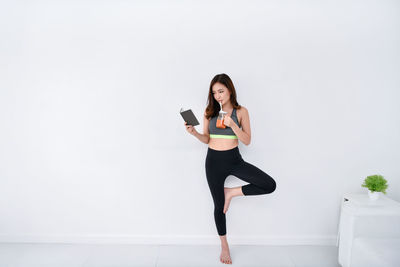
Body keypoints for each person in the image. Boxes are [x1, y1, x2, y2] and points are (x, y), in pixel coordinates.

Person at [184, 73, 277, 265]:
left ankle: (231, 192)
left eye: (221, 91)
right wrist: (194, 133)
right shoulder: (209, 112)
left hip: (234, 160)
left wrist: (233, 124)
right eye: (214, 93)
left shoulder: (241, 111)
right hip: (213, 162)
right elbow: (207, 139)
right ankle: (224, 246)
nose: (218, 96)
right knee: (219, 208)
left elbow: (247, 140)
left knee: (269, 184)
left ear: (229, 90)